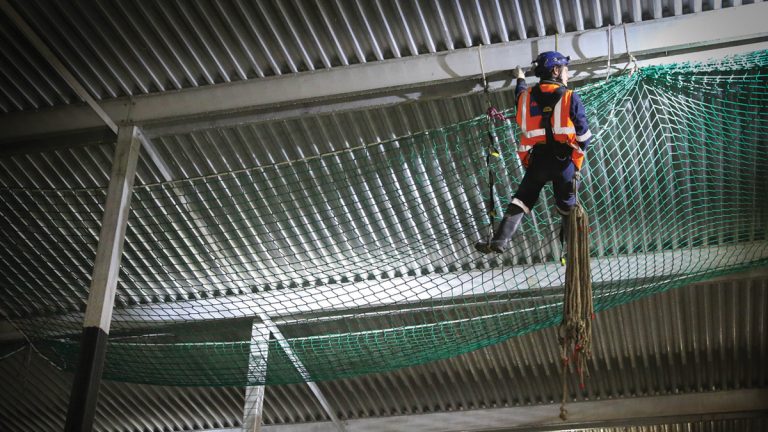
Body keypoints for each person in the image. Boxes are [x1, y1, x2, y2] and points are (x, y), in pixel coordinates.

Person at [476, 51, 592, 254]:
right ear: (556, 71)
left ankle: (499, 241)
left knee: (522, 199)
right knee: (567, 206)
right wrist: (575, 159)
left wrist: (520, 78)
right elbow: (584, 137)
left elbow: (519, 93)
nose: (567, 75)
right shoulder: (570, 97)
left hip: (538, 162)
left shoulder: (526, 98)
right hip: (563, 162)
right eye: (565, 70)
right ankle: (572, 249)